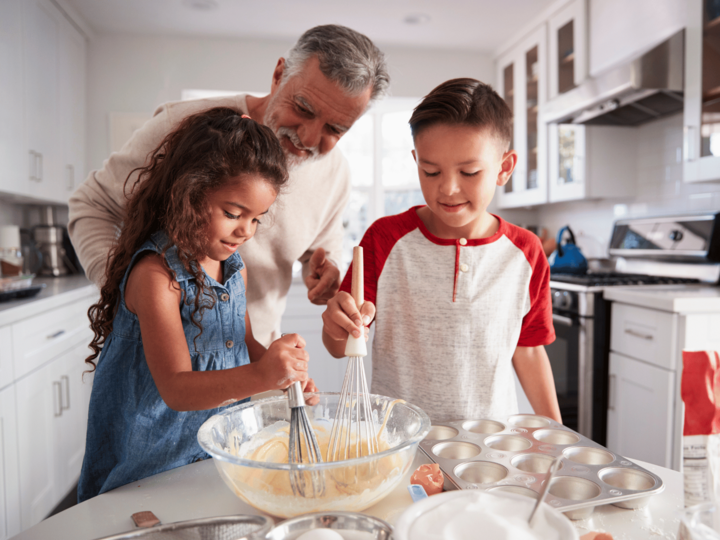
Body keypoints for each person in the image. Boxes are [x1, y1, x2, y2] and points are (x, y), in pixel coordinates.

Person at [68, 24, 389, 347]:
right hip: (157, 352)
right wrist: (125, 289)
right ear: (279, 74)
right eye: (303, 108)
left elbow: (320, 249)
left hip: (252, 359)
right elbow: (92, 205)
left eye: (335, 128)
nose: (307, 138)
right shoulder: (187, 128)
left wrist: (322, 271)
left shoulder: (336, 174)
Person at [77, 108, 316, 501]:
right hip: (148, 465)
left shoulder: (231, 267)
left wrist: (282, 373)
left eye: (257, 219)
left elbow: (241, 343)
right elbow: (176, 389)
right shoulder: (157, 277)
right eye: (233, 214)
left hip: (213, 452)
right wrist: (262, 376)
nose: (246, 231)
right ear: (189, 193)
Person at [321, 78, 562, 423]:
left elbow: (528, 348)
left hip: (488, 445)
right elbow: (342, 346)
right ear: (416, 160)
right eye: (430, 171)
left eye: (469, 172)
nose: (448, 188)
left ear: (504, 168)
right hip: (395, 440)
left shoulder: (525, 252)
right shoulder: (384, 239)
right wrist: (335, 328)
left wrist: (556, 432)